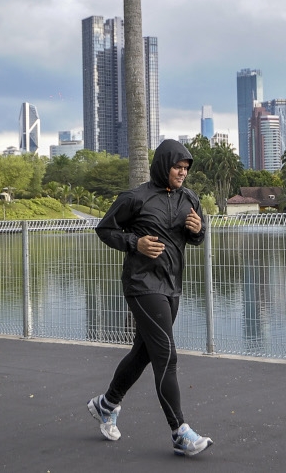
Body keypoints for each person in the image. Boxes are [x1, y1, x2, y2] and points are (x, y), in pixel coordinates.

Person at [87, 139, 213, 456]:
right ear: (162, 165)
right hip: (142, 284)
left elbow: (195, 238)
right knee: (166, 355)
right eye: (177, 167)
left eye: (186, 168)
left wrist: (199, 230)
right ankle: (179, 432)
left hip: (172, 286)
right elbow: (105, 229)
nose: (182, 173)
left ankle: (107, 403)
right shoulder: (136, 198)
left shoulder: (190, 199)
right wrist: (135, 243)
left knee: (144, 352)